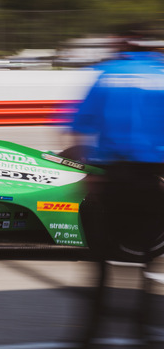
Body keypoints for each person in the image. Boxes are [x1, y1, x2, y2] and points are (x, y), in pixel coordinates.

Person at [70, 39, 164, 348]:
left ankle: (89, 332)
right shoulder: (160, 72)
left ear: (122, 45)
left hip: (110, 179)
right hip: (151, 180)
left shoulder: (107, 72)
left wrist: (88, 174)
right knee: (148, 260)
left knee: (99, 261)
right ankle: (143, 328)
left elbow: (79, 125)